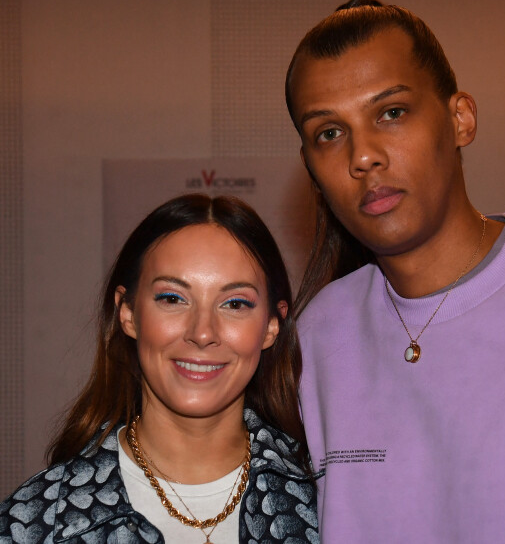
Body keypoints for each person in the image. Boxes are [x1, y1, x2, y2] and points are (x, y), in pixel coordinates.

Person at [285, 0, 505, 542]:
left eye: (391, 113)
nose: (363, 156)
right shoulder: (315, 337)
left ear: (460, 118)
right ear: (311, 167)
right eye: (329, 132)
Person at [0, 194, 319, 544]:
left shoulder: (326, 503)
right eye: (172, 299)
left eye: (235, 303)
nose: (202, 332)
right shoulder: (34, 524)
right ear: (128, 313)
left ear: (272, 326)